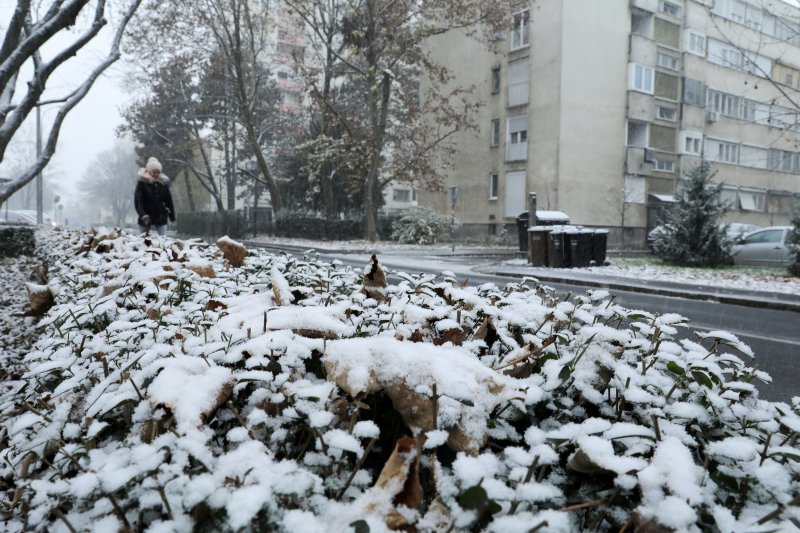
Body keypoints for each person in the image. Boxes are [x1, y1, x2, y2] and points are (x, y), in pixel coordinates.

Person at [134, 157, 175, 236]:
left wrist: (172, 216)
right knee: (142, 241)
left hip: (160, 215)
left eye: (158, 172)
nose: (156, 174)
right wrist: (142, 214)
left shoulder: (163, 183)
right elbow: (138, 201)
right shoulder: (142, 184)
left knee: (163, 239)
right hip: (146, 217)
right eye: (154, 172)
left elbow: (168, 200)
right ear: (149, 171)